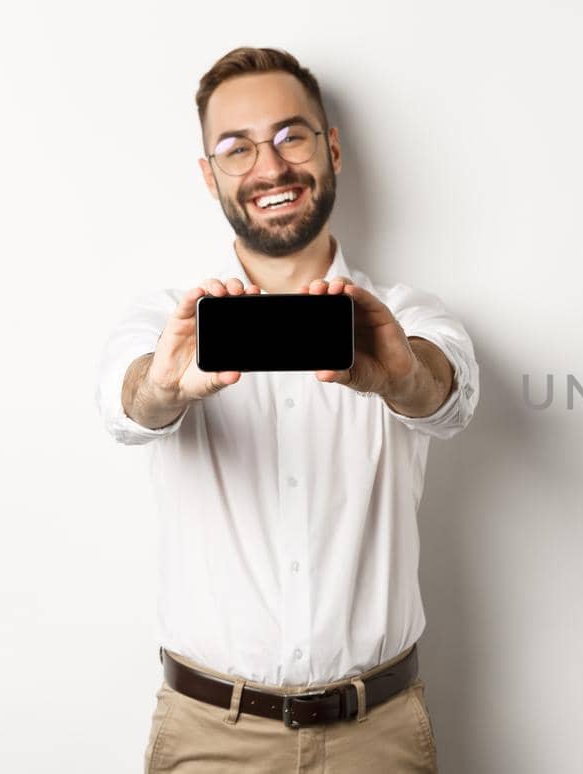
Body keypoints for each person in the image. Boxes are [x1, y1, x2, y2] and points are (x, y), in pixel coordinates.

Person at [94, 46, 478, 773]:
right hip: (210, 737)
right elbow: (126, 402)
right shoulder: (165, 322)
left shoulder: (403, 315)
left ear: (331, 148)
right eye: (237, 149)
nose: (270, 168)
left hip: (379, 737)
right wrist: (164, 388)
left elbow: (446, 395)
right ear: (210, 177)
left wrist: (399, 378)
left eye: (290, 136)